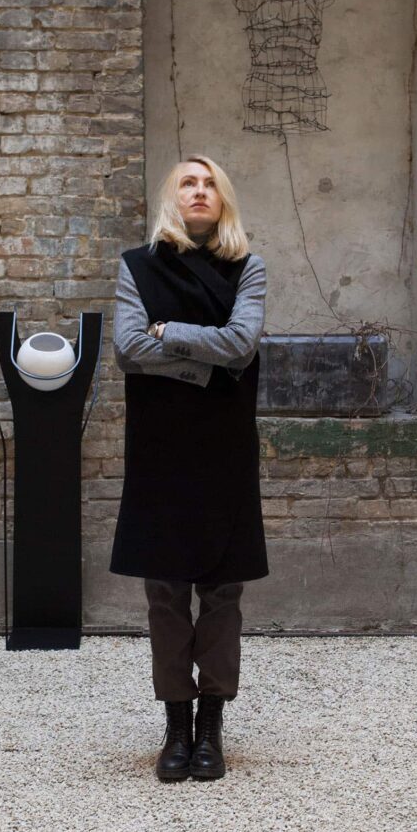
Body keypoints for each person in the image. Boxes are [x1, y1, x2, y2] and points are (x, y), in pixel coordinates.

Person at [109, 155, 269, 782]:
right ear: (171, 198)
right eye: (188, 183)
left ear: (222, 199)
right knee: (166, 592)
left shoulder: (248, 268)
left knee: (223, 592)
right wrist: (206, 367)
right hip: (161, 446)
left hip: (225, 445)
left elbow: (241, 343)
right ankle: (177, 726)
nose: (199, 191)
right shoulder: (136, 266)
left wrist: (168, 330)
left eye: (209, 184)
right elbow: (128, 348)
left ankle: (212, 728)